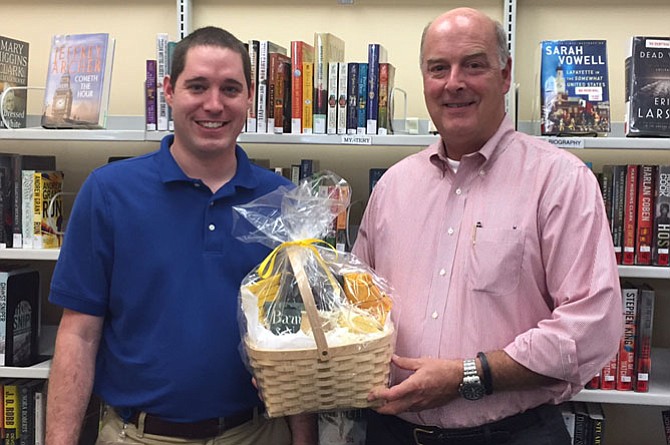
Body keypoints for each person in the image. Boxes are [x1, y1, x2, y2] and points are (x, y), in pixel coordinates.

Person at [352, 8, 622, 445]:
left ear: (504, 74)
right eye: (438, 68)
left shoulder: (560, 181)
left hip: (513, 435)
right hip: (391, 431)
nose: (453, 82)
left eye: (473, 64)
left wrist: (468, 376)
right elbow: (357, 310)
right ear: (424, 78)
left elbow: (591, 328)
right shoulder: (392, 187)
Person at [45, 26, 316, 445]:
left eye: (230, 88)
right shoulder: (108, 192)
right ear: (169, 91)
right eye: (197, 86)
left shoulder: (283, 202)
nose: (214, 104)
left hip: (256, 432)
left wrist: (304, 439)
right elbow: (78, 333)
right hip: (137, 435)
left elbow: (297, 338)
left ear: (249, 98)